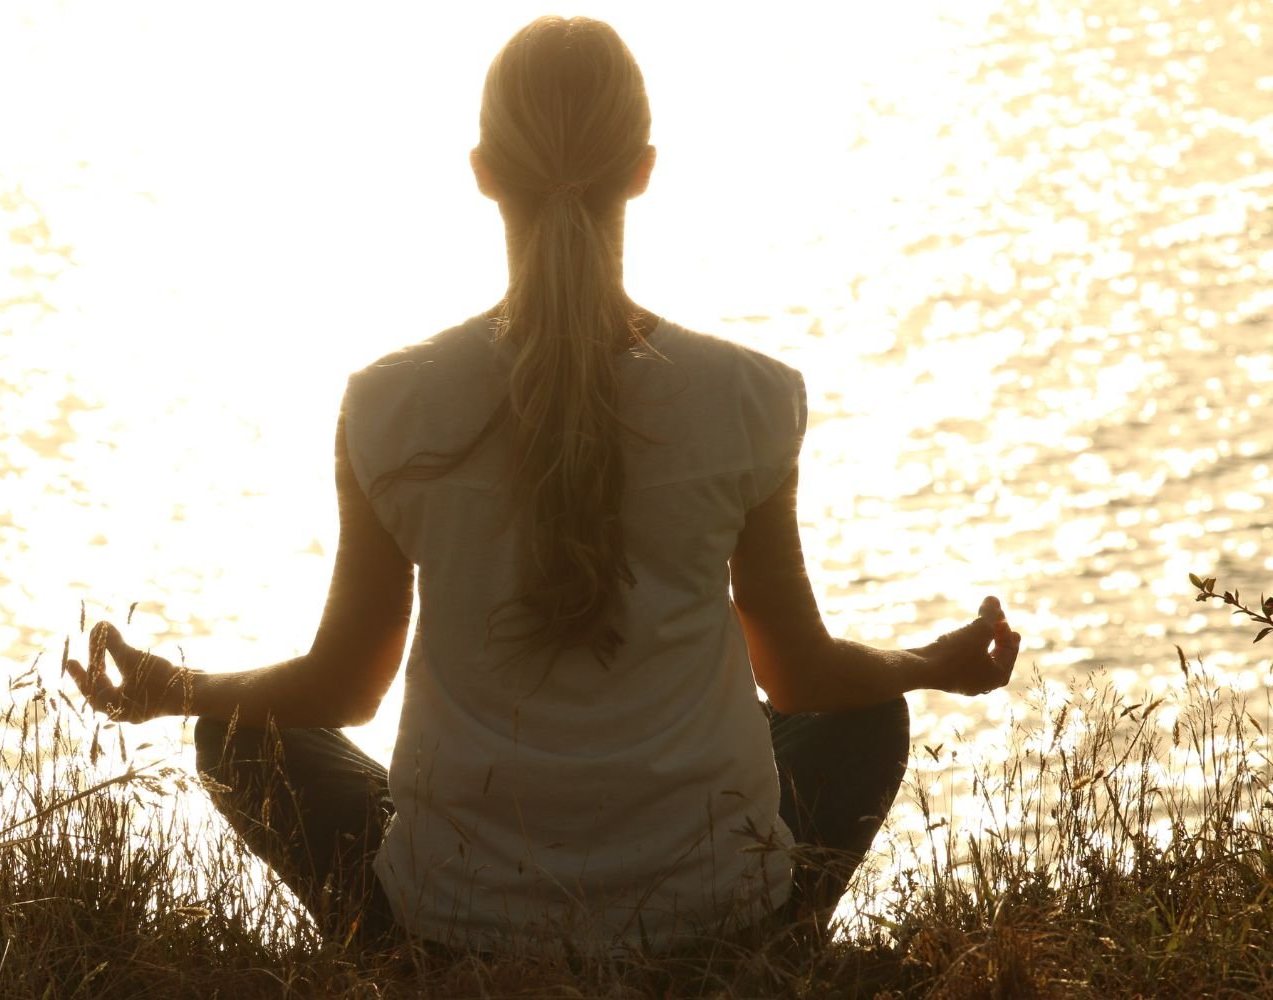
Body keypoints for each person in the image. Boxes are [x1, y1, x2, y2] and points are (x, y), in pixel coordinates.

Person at [66, 15, 1021, 955]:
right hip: (711, 907)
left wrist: (173, 688)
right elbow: (800, 673)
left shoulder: (388, 403)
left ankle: (405, 959)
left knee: (238, 738)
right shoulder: (751, 396)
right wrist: (928, 667)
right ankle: (753, 947)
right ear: (644, 168)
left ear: (482, 171)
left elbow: (343, 688)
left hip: (455, 920)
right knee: (863, 711)